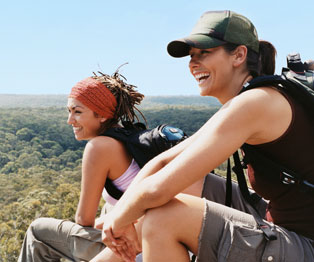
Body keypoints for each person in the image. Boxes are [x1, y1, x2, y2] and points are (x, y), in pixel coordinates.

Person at [97, 10, 314, 262]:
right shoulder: (258, 96)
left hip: (306, 244)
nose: (193, 63)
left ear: (239, 55)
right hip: (281, 222)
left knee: (164, 219)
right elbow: (163, 163)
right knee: (186, 183)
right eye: (191, 56)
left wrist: (118, 219)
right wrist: (124, 213)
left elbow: (156, 189)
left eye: (205, 52)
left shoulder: (255, 103)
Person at [18, 70, 204, 262]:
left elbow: (84, 220)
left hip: (134, 249)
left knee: (38, 232)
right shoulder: (132, 140)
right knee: (109, 207)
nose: (70, 120)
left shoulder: (98, 147)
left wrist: (113, 222)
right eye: (69, 111)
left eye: (77, 112)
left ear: (102, 116)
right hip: (174, 243)